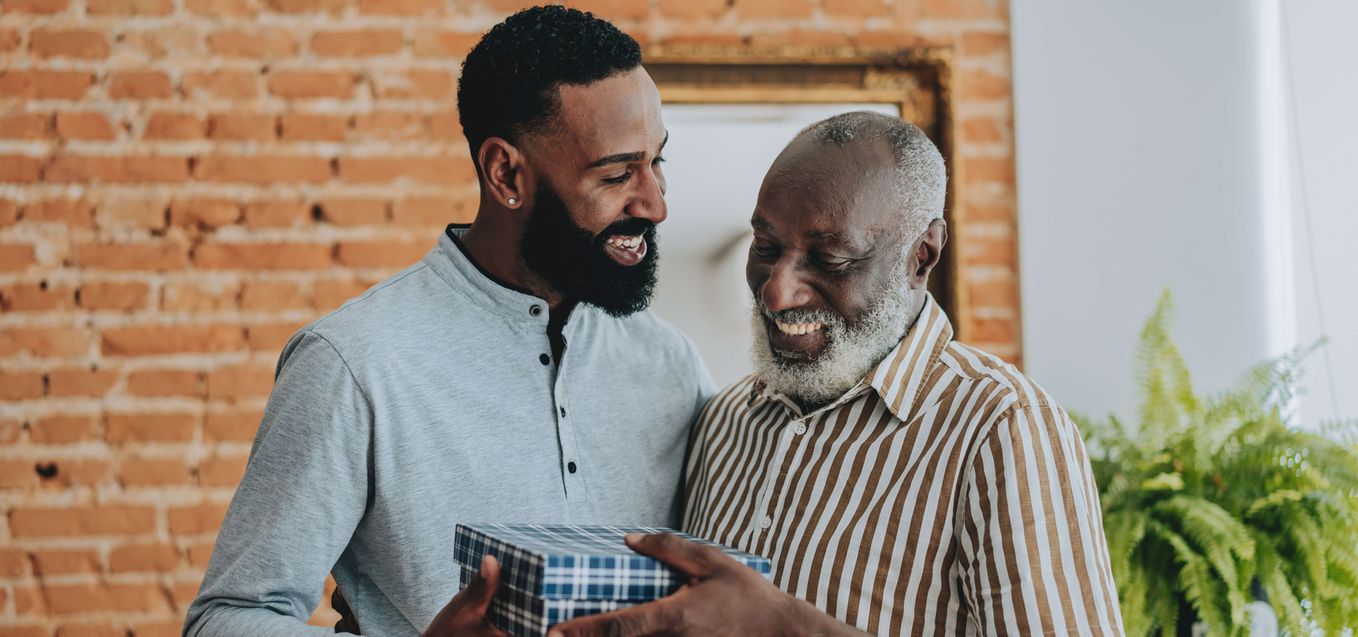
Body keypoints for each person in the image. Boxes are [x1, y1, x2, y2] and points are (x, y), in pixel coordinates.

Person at [182, 6, 712, 637]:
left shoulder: (672, 365)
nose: (655, 204)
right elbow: (227, 619)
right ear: (505, 173)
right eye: (617, 173)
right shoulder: (355, 364)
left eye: (658, 164)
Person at [550, 111, 1123, 636]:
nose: (778, 290)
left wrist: (785, 625)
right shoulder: (722, 421)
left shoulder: (1001, 430)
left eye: (831, 260)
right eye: (766, 246)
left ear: (921, 256)